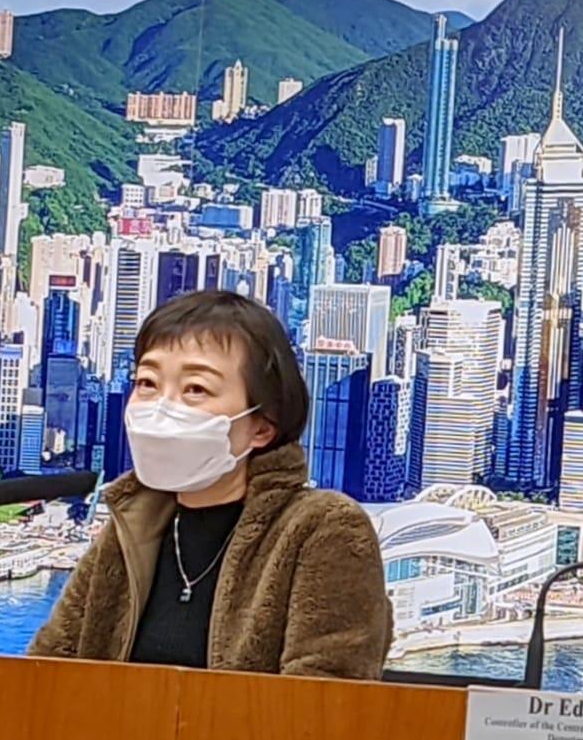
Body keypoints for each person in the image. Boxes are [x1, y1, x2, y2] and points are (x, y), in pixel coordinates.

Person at [29, 290, 391, 677]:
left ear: (261, 427)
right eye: (147, 383)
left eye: (196, 389)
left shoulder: (322, 528)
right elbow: (43, 678)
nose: (162, 407)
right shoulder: (132, 526)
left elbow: (324, 697)